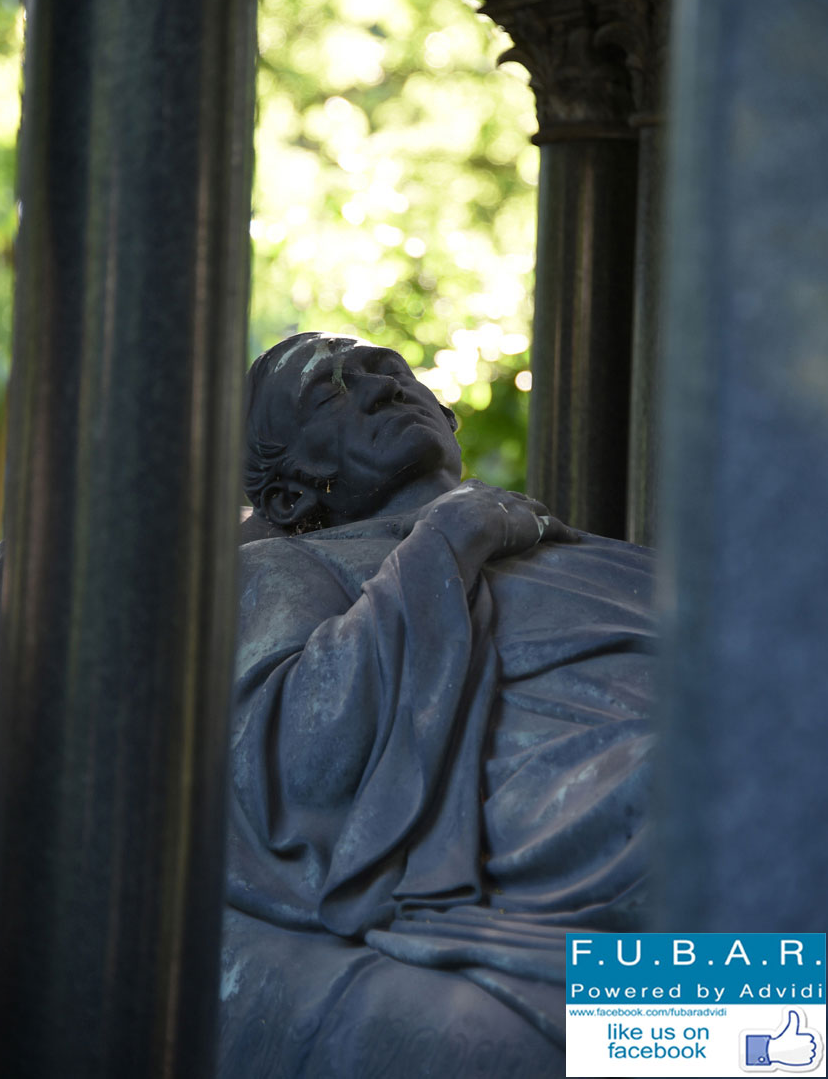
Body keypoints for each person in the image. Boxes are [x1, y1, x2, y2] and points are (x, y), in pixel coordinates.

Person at [220, 332, 656, 1079]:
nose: (382, 384)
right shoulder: (285, 566)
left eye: (390, 371)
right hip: (550, 787)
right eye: (334, 388)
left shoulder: (603, 553)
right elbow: (294, 769)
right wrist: (449, 542)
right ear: (289, 493)